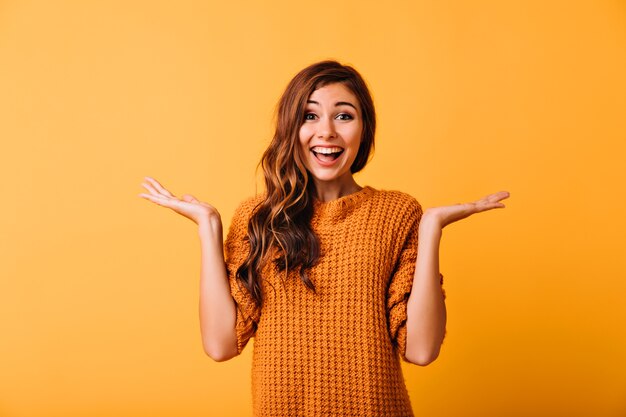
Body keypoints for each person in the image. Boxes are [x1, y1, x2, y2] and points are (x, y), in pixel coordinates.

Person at [138, 60, 510, 416]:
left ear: (364, 128)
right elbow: (220, 345)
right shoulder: (258, 217)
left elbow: (422, 349)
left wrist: (430, 229)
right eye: (310, 115)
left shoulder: (398, 213)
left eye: (344, 115)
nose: (327, 131)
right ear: (290, 127)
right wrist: (209, 227)